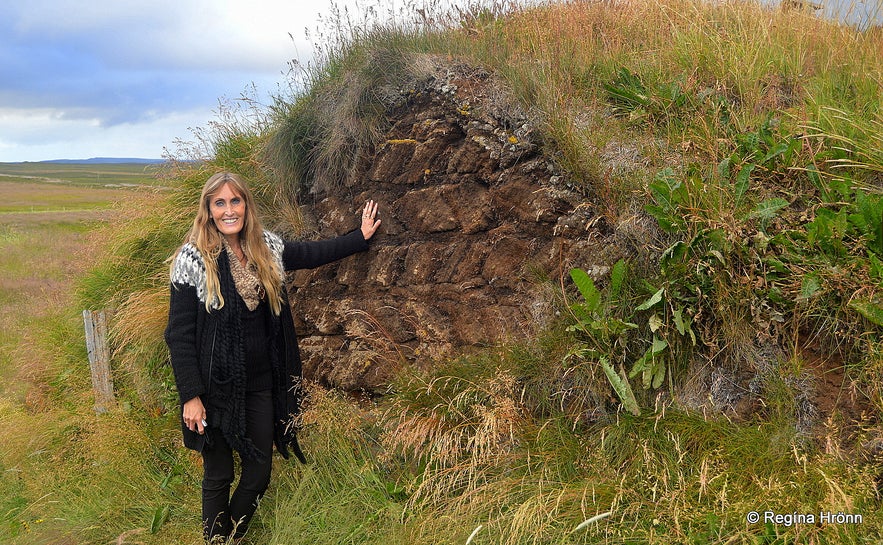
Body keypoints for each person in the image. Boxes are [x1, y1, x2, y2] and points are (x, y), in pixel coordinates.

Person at [164, 171, 380, 543]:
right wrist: (191, 396)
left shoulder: (267, 248)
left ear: (246, 205)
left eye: (235, 201)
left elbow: (312, 253)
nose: (229, 210)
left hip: (261, 383)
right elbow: (179, 335)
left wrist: (358, 239)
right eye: (220, 203)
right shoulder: (193, 260)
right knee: (218, 475)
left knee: (259, 472)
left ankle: (228, 537)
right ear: (209, 210)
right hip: (213, 388)